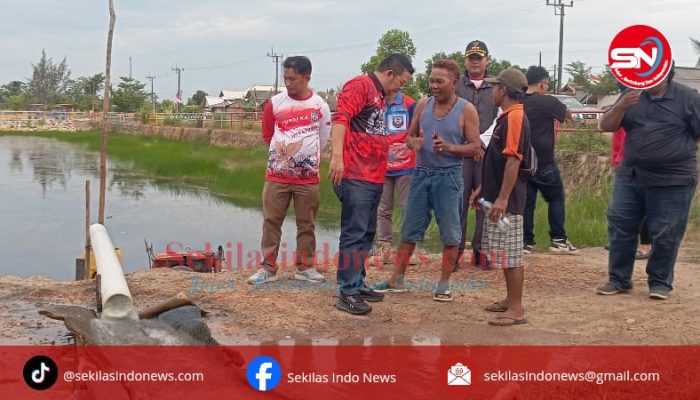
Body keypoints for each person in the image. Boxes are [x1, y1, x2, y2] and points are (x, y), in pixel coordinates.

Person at [373, 59, 483, 301]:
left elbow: (476, 148)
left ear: (453, 83)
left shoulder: (466, 110)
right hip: (421, 173)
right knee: (409, 229)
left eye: (439, 81)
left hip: (449, 176)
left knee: (451, 233)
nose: (433, 85)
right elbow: (409, 138)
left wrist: (450, 148)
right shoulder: (423, 104)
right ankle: (396, 279)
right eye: (431, 80)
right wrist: (416, 143)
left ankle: (443, 285)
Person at [596, 66, 700, 300]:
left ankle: (660, 281)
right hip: (630, 175)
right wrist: (621, 105)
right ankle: (619, 279)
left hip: (673, 179)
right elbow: (606, 126)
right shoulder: (631, 95)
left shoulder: (688, 98)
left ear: (666, 73)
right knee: (621, 225)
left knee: (665, 232)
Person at [330, 54, 415, 315]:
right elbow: (341, 119)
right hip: (356, 174)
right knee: (354, 233)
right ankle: (346, 291)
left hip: (374, 175)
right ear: (389, 73)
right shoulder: (360, 86)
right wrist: (336, 158)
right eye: (400, 82)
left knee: (367, 232)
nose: (400, 88)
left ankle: (357, 282)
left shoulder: (379, 96)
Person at [247, 56, 331, 285]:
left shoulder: (320, 106)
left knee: (307, 224)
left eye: (292, 79)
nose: (288, 83)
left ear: (306, 77)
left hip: (308, 179)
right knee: (271, 221)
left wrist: (305, 156)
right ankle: (268, 268)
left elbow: (323, 137)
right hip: (277, 176)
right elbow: (268, 134)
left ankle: (305, 267)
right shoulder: (275, 104)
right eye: (286, 78)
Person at [469, 67, 531, 326]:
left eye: (495, 87)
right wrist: (484, 189)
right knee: (505, 251)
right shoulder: (505, 117)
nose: (492, 91)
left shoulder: (515, 117)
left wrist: (503, 199)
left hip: (510, 199)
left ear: (503, 90)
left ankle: (516, 308)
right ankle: (509, 300)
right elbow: (496, 161)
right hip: (498, 195)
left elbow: (513, 161)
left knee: (512, 253)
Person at [522, 66, 578, 254]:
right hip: (544, 161)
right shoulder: (549, 102)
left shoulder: (517, 100)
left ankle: (525, 243)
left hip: (522, 162)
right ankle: (559, 239)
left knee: (526, 203)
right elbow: (569, 115)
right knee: (556, 199)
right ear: (542, 84)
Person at [455, 40, 500, 269]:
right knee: (458, 202)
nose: (475, 61)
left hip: (487, 153)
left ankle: (481, 251)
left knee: (485, 202)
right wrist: (467, 144)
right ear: (465, 60)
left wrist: (480, 143)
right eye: (471, 57)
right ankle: (455, 251)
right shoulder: (456, 85)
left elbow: (499, 117)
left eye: (479, 57)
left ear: (486, 60)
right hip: (460, 152)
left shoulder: (495, 86)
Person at [372, 89, 416, 265]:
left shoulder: (409, 103)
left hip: (406, 165)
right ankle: (384, 248)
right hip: (382, 166)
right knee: (383, 209)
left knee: (408, 208)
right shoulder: (375, 104)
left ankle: (409, 250)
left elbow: (418, 130)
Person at [611, 126, 652, 259]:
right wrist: (616, 159)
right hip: (625, 165)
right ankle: (623, 245)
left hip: (649, 165)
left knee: (648, 209)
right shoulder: (625, 109)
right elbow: (617, 138)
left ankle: (646, 245)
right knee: (620, 212)